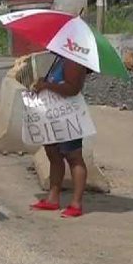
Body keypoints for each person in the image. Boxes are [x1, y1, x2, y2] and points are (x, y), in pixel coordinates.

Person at [30, 55, 90, 218]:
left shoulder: (74, 60)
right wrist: (46, 82)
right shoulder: (60, 58)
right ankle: (52, 198)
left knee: (73, 157)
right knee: (53, 154)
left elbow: (72, 89)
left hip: (68, 116)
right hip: (53, 116)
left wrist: (47, 86)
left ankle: (76, 203)